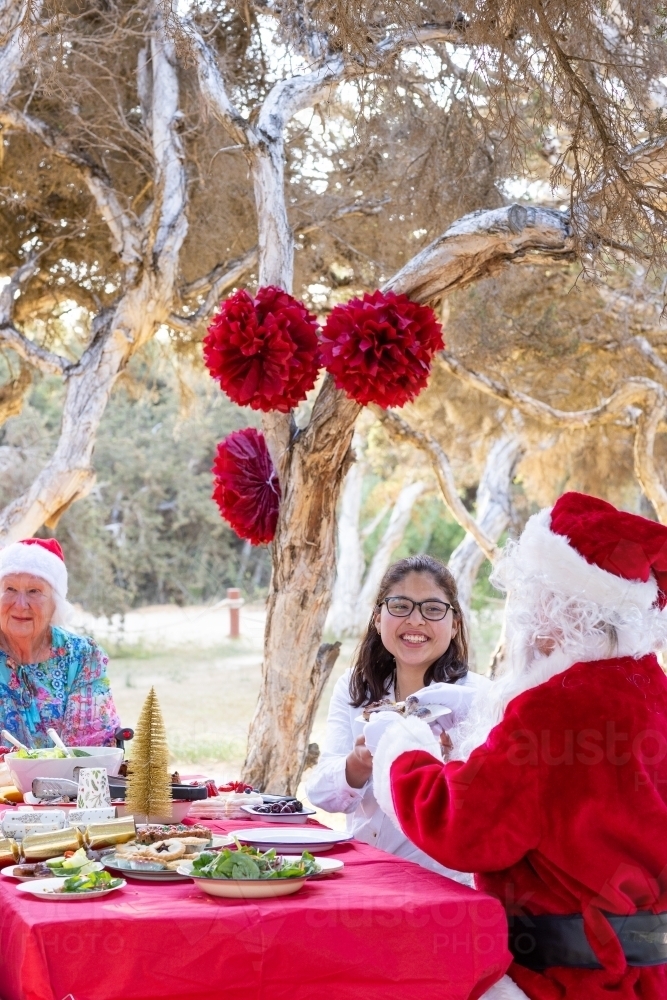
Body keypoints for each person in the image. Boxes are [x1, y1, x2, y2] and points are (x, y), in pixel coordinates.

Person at [367, 492, 667, 1000]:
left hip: (567, 981)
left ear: (560, 609)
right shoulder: (652, 690)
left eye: (532, 601)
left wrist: (400, 746)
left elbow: (463, 827)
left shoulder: (555, 707)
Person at [306, 554, 488, 881]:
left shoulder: (479, 698)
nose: (416, 621)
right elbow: (321, 793)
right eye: (400, 606)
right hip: (363, 875)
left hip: (441, 885)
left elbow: (486, 814)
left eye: (432, 609)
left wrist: (448, 765)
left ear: (455, 623)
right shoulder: (354, 687)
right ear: (378, 618)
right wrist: (358, 764)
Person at [0, 538, 120, 748]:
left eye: (34, 591)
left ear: (56, 602)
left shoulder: (82, 655)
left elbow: (90, 746)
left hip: (67, 779)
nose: (20, 604)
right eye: (10, 589)